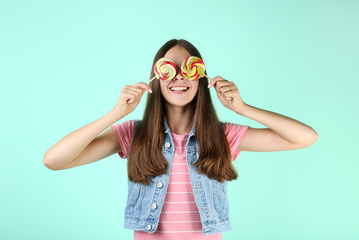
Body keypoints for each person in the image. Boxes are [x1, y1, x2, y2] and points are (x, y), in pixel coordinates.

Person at [43, 39, 318, 240]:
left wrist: (243, 108)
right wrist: (115, 114)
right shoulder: (133, 134)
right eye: (168, 69)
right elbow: (54, 160)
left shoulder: (222, 137)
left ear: (200, 77)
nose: (178, 76)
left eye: (187, 69)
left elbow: (305, 138)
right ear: (156, 77)